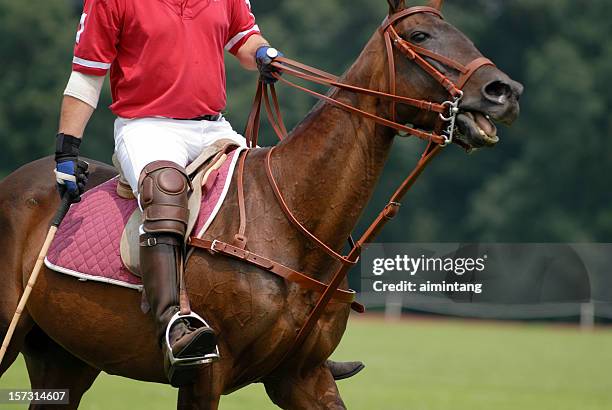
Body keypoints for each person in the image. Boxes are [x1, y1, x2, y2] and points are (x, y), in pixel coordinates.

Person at [54, 0, 363, 384]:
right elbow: (86, 75)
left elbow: (244, 39)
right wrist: (67, 148)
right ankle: (171, 323)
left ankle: (296, 346)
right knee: (165, 191)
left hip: (211, 128)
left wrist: (264, 52)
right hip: (147, 127)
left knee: (274, 190)